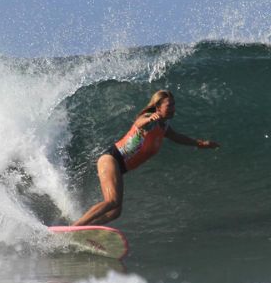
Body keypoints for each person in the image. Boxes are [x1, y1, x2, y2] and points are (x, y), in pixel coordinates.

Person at [73, 90, 219, 226]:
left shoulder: (163, 126)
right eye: (169, 105)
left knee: (116, 212)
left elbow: (177, 137)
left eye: (174, 104)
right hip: (111, 159)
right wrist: (149, 120)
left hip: (120, 166)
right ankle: (74, 228)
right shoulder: (149, 120)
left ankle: (87, 229)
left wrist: (200, 143)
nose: (173, 108)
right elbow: (138, 123)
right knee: (112, 201)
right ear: (158, 107)